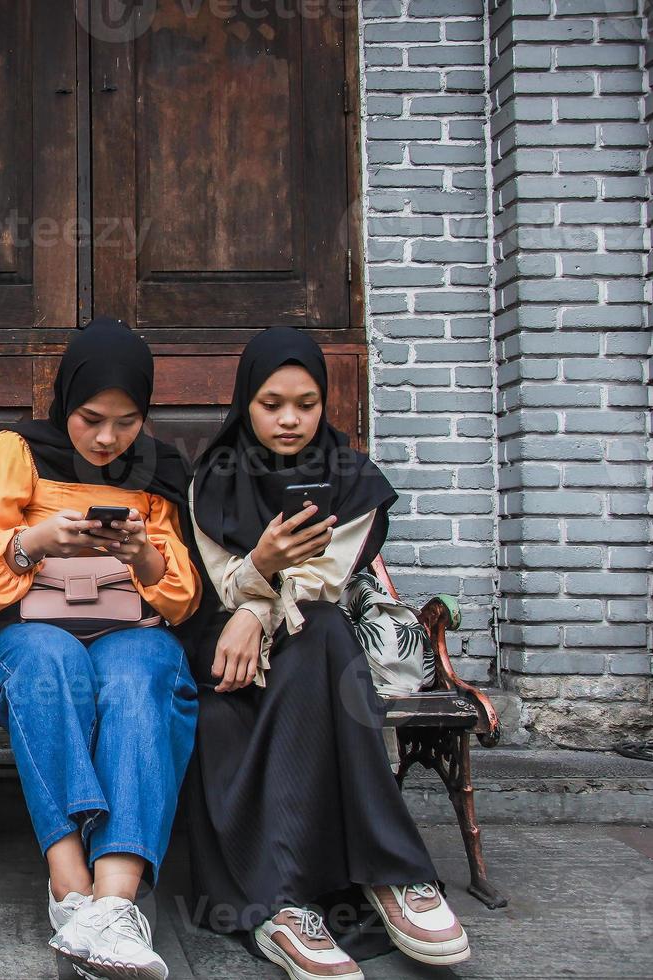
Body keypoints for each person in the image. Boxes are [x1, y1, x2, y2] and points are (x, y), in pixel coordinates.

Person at [180, 327, 470, 980]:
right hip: (223, 646)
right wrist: (258, 567)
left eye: (307, 404)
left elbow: (323, 581)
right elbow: (218, 582)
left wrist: (258, 605)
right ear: (244, 403)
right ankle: (349, 883)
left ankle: (331, 892)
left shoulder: (352, 479)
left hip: (299, 638)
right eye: (271, 403)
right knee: (276, 665)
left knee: (323, 629)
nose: (290, 420)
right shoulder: (212, 481)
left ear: (325, 402)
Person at [0, 318, 200, 980]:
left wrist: (143, 552)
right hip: (31, 632)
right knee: (50, 663)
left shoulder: (159, 469)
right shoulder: (17, 449)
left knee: (143, 674)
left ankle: (112, 903)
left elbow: (180, 597)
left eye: (126, 422)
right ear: (65, 402)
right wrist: (36, 543)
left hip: (129, 631)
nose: (107, 438)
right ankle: (70, 882)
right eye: (91, 418)